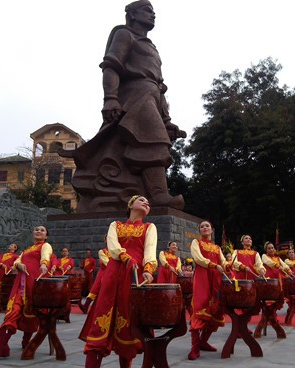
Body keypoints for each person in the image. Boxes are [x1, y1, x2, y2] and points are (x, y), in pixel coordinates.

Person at [70, 0, 186, 212]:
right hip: (133, 96)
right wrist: (110, 98)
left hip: (151, 96)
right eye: (147, 11)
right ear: (132, 14)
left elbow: (159, 86)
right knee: (154, 142)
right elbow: (111, 67)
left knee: (143, 143)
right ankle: (158, 194)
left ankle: (147, 192)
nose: (153, 15)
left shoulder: (150, 46)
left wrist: (166, 120)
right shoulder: (124, 34)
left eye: (154, 12)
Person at [79, 195, 158, 368]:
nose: (146, 203)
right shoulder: (116, 225)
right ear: (130, 205)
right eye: (141, 200)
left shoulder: (149, 227)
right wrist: (125, 256)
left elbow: (150, 250)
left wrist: (148, 270)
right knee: (103, 312)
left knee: (129, 319)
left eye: (148, 203)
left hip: (134, 276)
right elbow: (113, 246)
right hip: (114, 273)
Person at [0, 226, 52, 361]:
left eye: (42, 230)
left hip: (34, 283)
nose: (38, 231)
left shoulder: (46, 245)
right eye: (36, 229)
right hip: (20, 283)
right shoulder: (27, 249)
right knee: (13, 310)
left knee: (30, 311)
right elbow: (17, 261)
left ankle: (26, 341)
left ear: (46, 236)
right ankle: (1, 346)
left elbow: (46, 256)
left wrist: (44, 264)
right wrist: (19, 265)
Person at [188, 220, 229, 361]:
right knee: (200, 306)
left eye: (207, 226)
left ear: (211, 229)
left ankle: (203, 341)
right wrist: (212, 264)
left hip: (216, 279)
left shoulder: (217, 247)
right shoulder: (196, 243)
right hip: (202, 277)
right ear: (199, 230)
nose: (204, 227)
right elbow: (198, 258)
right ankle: (194, 348)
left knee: (216, 309)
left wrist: (227, 265)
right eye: (202, 226)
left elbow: (223, 261)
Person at [79, 236, 112, 314]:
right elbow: (105, 263)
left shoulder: (116, 251)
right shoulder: (103, 251)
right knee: (95, 288)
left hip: (113, 272)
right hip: (104, 272)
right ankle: (86, 306)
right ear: (105, 241)